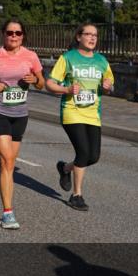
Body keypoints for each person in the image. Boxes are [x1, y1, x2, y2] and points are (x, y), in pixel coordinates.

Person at [0, 19, 45, 229]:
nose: (14, 36)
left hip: (20, 114)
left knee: (10, 160)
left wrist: (35, 80)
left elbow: (41, 83)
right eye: (10, 33)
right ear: (3, 34)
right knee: (8, 161)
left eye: (18, 33)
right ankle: (8, 213)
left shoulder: (30, 56)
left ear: (23, 35)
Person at [45, 24, 115, 212]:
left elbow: (108, 85)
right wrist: (66, 89)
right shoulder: (68, 58)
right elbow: (49, 84)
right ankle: (76, 196)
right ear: (78, 37)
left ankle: (65, 169)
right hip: (72, 111)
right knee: (83, 153)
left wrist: (108, 87)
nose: (92, 38)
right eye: (88, 34)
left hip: (93, 114)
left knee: (93, 157)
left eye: (95, 35)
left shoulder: (101, 60)